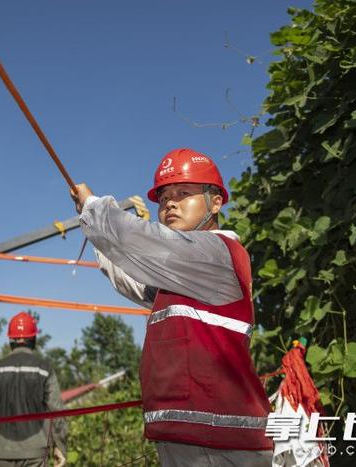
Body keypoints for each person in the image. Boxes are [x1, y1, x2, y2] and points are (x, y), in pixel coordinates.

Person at [70, 148, 274, 466]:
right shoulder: (181, 276)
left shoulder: (218, 252)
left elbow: (146, 243)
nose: (170, 204)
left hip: (222, 443)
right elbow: (132, 276)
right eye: (164, 198)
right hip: (191, 437)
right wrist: (95, 229)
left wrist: (95, 209)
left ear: (216, 201)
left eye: (183, 193)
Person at [0, 312, 67, 467]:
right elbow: (57, 411)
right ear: (33, 339)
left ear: (10, 340)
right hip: (36, 452)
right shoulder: (45, 370)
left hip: (2, 452)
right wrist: (60, 447)